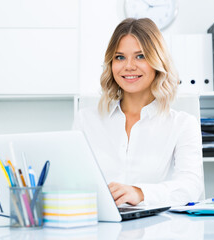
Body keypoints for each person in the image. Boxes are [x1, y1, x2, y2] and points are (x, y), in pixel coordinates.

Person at [73, 18, 204, 206]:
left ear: (157, 61)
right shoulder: (85, 120)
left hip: (159, 229)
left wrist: (141, 193)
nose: (129, 66)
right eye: (119, 57)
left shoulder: (183, 124)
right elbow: (72, 181)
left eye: (140, 56)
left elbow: (190, 186)